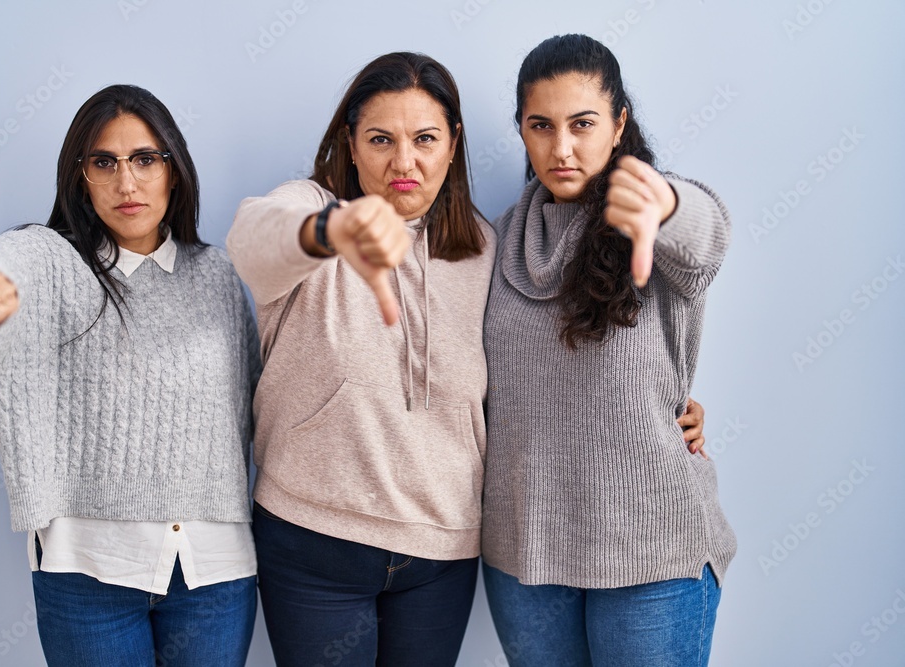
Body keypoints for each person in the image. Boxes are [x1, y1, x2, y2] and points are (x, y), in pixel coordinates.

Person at [0, 84, 260, 666]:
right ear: (81, 177)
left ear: (173, 170)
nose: (126, 184)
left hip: (215, 575)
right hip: (87, 575)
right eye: (104, 163)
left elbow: (252, 410)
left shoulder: (220, 277)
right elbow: (6, 264)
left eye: (145, 160)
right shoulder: (56, 262)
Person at [227, 52, 495, 666]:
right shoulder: (309, 209)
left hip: (442, 552)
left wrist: (665, 408)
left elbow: (531, 364)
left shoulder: (484, 248)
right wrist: (331, 231)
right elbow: (251, 238)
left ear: (453, 145)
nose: (404, 162)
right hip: (313, 540)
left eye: (425, 139)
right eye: (380, 140)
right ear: (350, 146)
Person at [480, 34, 736, 666]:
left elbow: (708, 234)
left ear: (620, 124)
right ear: (520, 129)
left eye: (583, 124)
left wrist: (664, 203)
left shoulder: (650, 211)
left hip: (651, 550)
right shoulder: (500, 238)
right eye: (540, 126)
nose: (561, 148)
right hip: (526, 557)